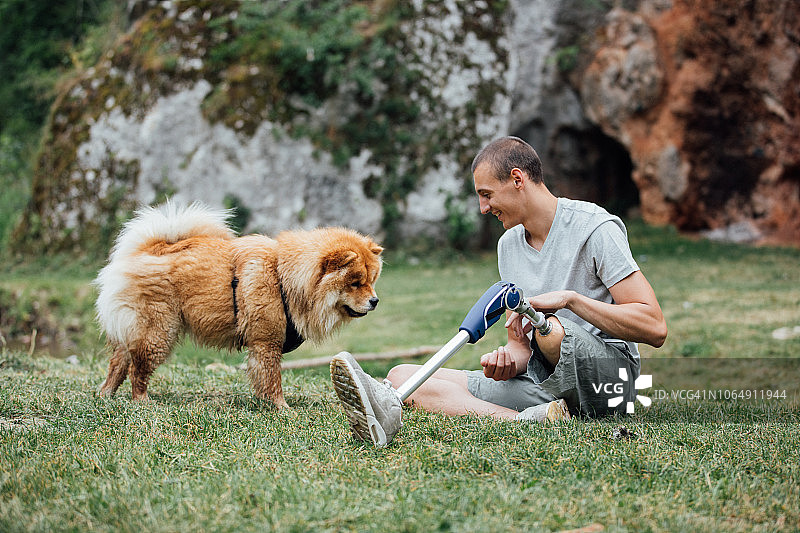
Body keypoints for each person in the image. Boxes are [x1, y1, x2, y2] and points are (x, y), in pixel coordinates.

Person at [331, 136, 667, 444]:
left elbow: (654, 327)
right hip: (546, 385)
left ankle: (543, 400)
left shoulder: (595, 228)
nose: (483, 208)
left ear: (518, 180)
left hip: (609, 385)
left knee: (550, 329)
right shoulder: (508, 246)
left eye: (486, 194)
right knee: (403, 376)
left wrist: (571, 301)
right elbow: (519, 344)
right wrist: (511, 358)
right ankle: (529, 422)